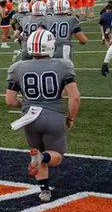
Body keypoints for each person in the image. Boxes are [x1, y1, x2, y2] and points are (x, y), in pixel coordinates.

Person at [6, 30, 80, 202]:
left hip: (30, 118)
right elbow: (74, 97)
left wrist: (25, 105)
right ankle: (43, 158)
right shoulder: (63, 65)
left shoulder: (18, 67)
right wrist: (70, 119)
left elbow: (10, 100)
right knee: (55, 155)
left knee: (36, 151)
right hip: (54, 115)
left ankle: (44, 190)